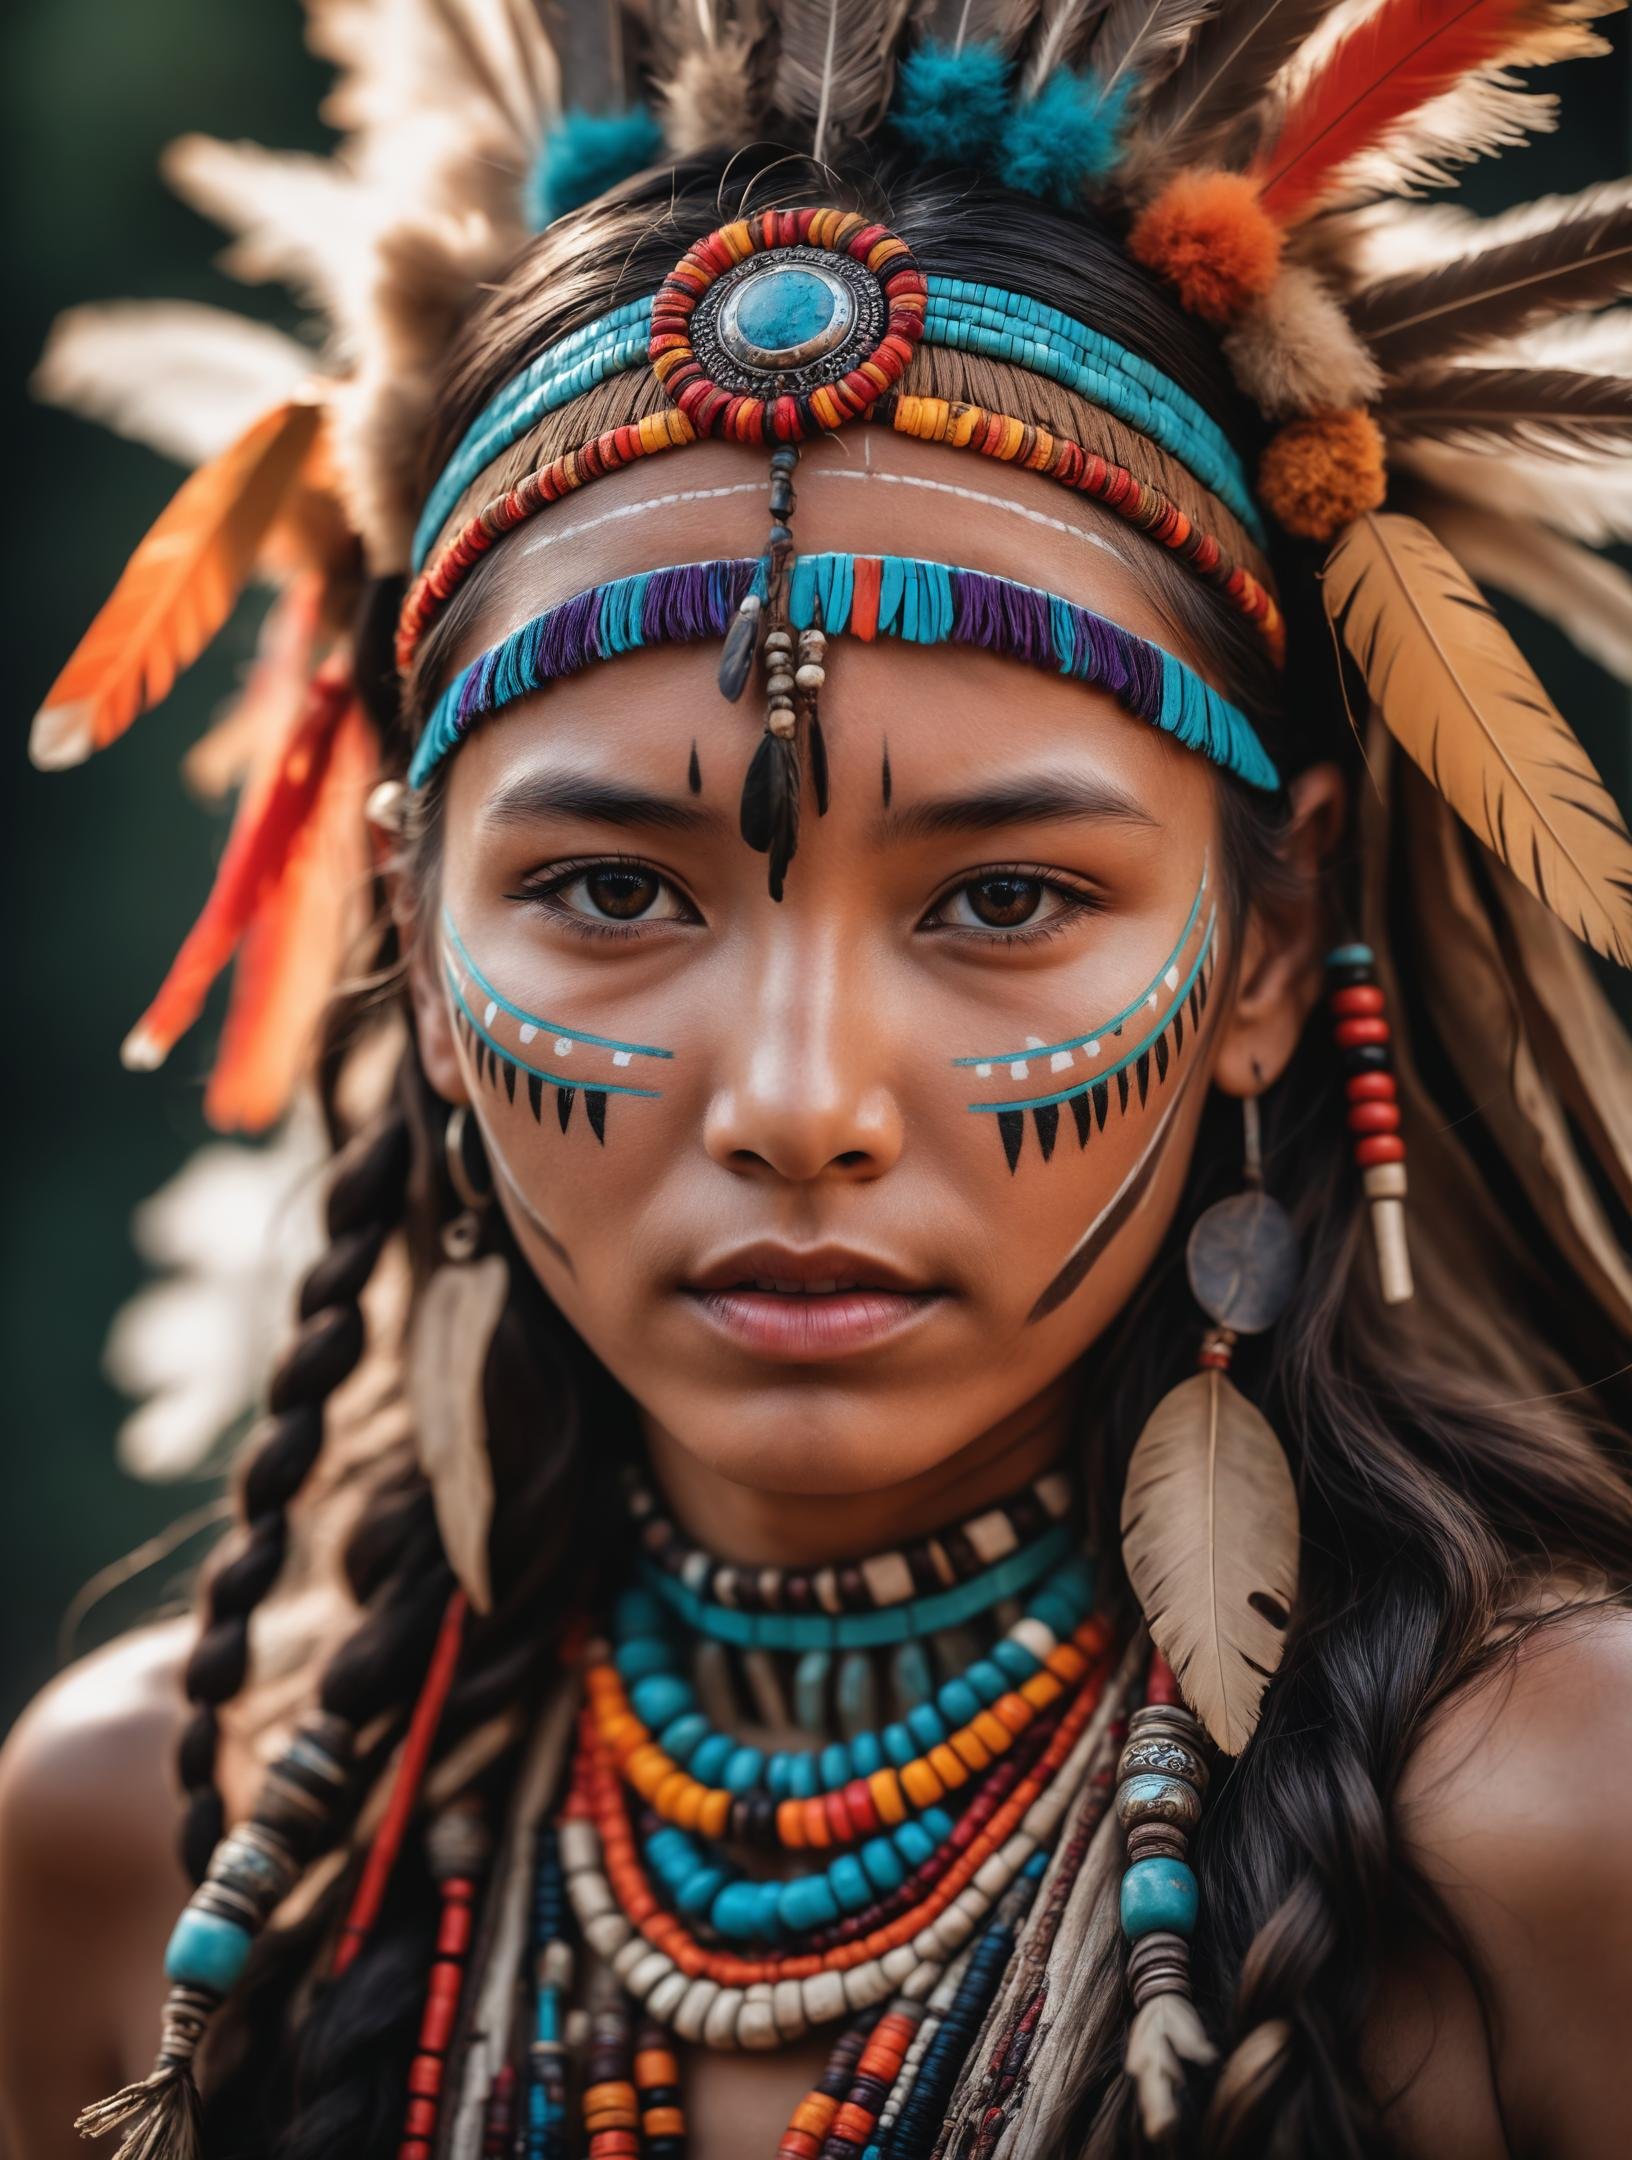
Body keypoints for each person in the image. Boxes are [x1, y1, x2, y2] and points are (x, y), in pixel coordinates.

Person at [3, 5, 1631, 2156]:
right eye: (607, 886)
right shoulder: (149, 1841)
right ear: (411, 927)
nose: (796, 1098)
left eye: (1002, 902)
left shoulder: (1551, 1829)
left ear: (1259, 938)